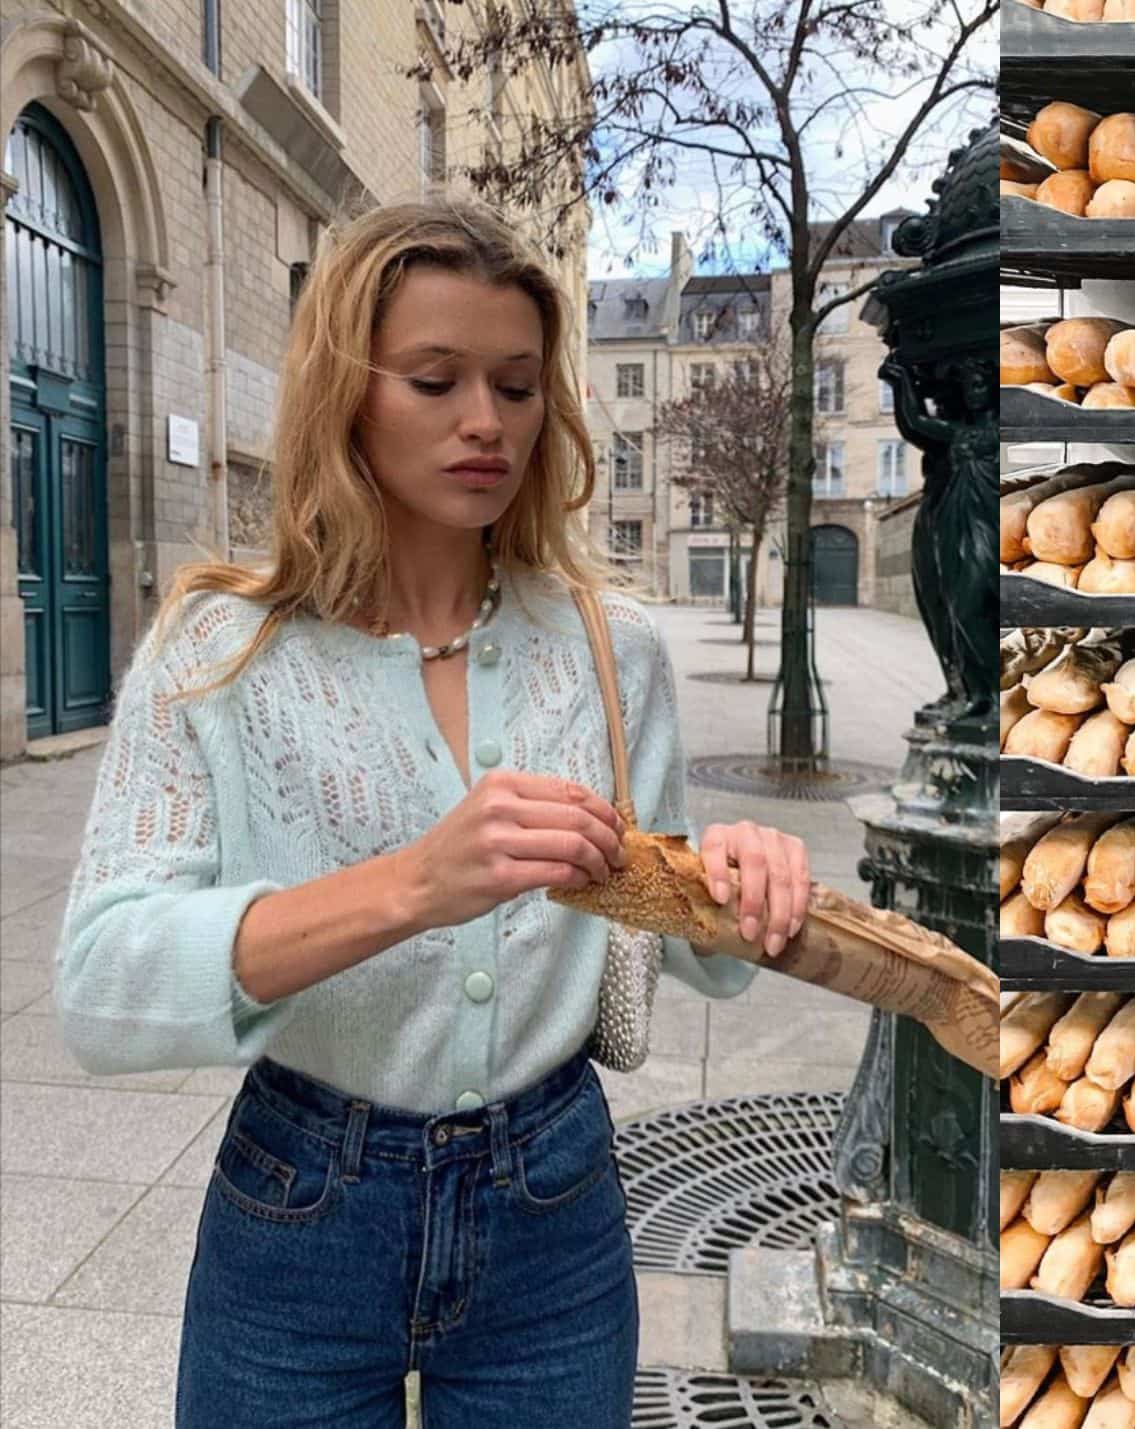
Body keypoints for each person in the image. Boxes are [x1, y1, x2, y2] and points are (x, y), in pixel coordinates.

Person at [51, 196, 810, 1428]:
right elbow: (98, 985)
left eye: (515, 386)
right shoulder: (220, 653)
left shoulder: (610, 648)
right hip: (303, 1202)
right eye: (434, 378)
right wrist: (410, 885)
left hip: (554, 1199)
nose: (484, 422)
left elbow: (688, 952)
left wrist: (743, 887)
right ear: (347, 391)